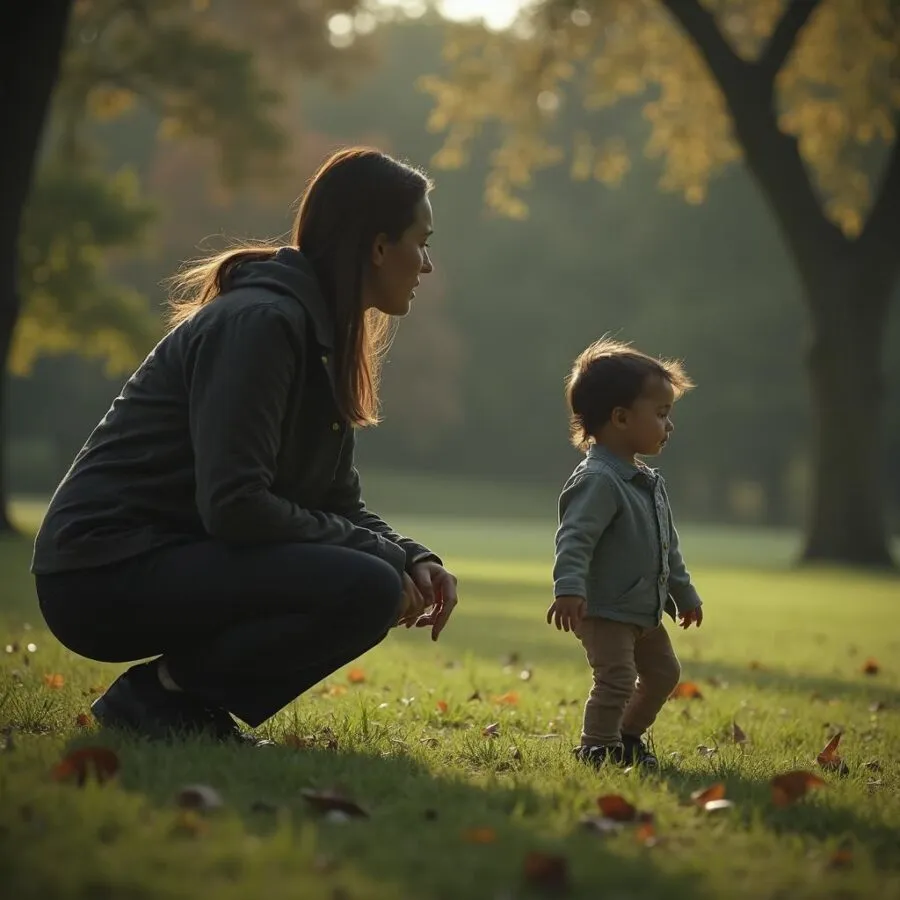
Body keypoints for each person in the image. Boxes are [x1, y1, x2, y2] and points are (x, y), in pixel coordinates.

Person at [31, 147, 459, 745]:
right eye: (423, 241)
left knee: (375, 578)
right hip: (102, 569)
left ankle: (179, 702)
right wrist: (381, 559)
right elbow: (235, 505)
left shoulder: (319, 337)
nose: (428, 265)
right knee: (367, 585)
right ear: (379, 246)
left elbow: (337, 500)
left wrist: (412, 554)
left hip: (171, 554)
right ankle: (160, 697)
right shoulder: (262, 325)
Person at [546, 338, 703, 770]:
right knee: (615, 678)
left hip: (643, 608)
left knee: (664, 674)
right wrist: (569, 589)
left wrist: (684, 594)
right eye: (661, 414)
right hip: (604, 608)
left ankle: (627, 738)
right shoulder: (599, 480)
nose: (668, 426)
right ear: (620, 417)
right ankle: (597, 747)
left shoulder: (647, 481)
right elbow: (574, 538)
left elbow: (666, 546)